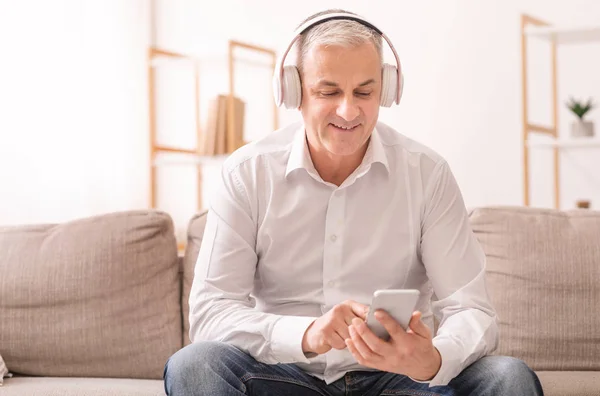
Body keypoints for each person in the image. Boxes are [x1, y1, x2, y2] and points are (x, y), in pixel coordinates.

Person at [164, 9, 544, 396]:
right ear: (293, 92)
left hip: (399, 382)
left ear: (388, 90)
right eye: (328, 92)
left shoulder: (426, 173)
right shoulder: (248, 173)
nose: (348, 111)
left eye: (364, 92)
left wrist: (432, 359)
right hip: (284, 375)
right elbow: (212, 313)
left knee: (508, 377)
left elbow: (471, 310)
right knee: (194, 366)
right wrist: (308, 334)